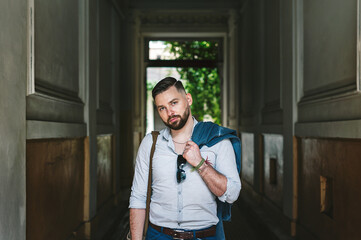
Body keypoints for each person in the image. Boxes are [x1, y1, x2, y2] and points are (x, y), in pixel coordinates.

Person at [129, 77, 241, 240]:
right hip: (158, 235)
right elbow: (138, 198)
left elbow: (231, 194)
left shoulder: (216, 140)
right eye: (162, 108)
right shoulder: (150, 144)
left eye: (174, 103)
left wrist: (200, 164)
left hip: (206, 235)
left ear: (188, 99)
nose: (169, 112)